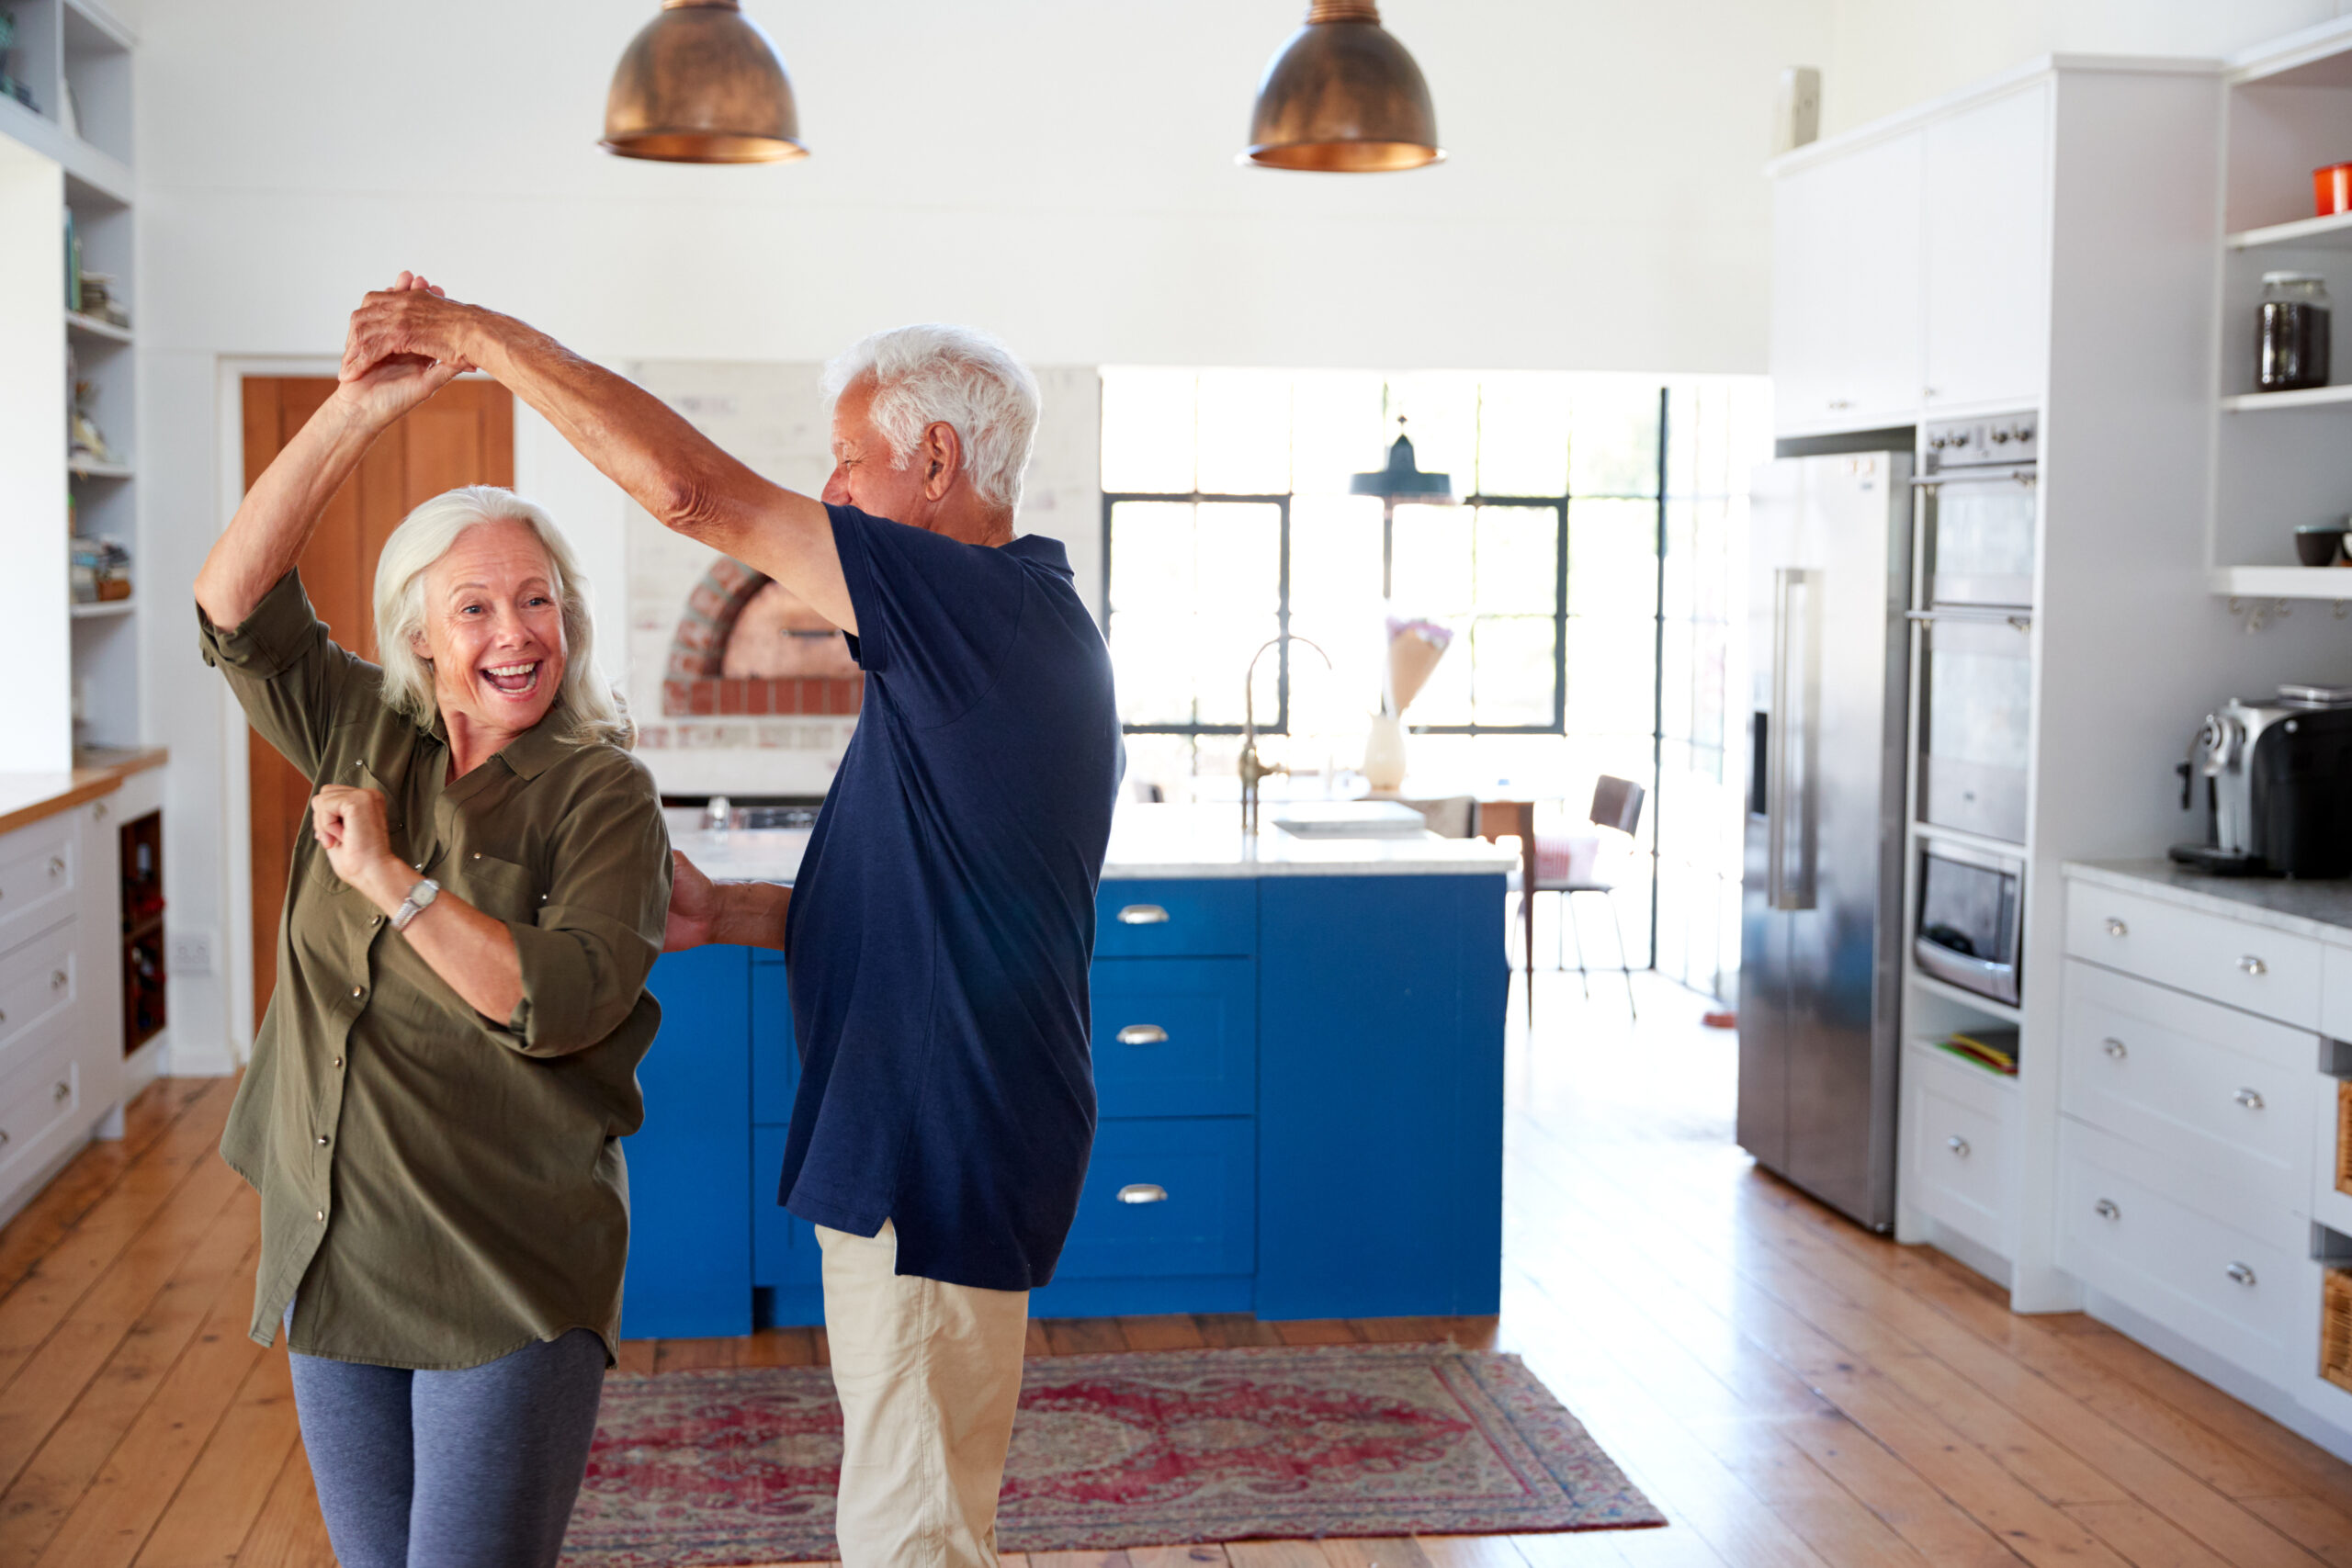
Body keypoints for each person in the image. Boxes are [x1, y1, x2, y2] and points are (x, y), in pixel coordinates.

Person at [341, 286, 1122, 1568]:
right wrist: (754, 912)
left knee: (908, 1532)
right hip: (945, 1132)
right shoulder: (1003, 629)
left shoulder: (971, 609)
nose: (830, 486)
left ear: (937, 462)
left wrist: (478, 341)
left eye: (851, 459)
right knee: (912, 1489)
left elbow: (696, 497)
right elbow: (955, 895)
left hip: (933, 1156)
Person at [194, 276, 672, 1568]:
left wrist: (395, 887)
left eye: (538, 601)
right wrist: (359, 408)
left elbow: (560, 999)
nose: (518, 633)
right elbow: (233, 605)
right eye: (476, 608)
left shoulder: (603, 791)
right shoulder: (365, 726)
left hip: (504, 1269)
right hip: (336, 1245)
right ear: (419, 631)